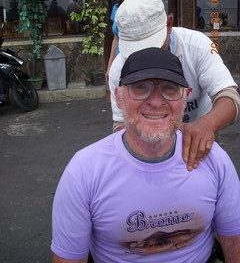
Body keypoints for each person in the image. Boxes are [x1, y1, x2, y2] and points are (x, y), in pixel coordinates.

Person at [51, 48, 240, 263]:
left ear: (185, 98)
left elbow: (234, 241)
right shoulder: (84, 171)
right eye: (141, 88)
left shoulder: (213, 159)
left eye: (170, 88)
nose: (157, 102)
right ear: (119, 98)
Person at [109, 0, 240, 171]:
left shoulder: (198, 45)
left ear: (169, 24)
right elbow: (120, 124)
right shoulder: (120, 67)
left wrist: (207, 124)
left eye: (151, 45)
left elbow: (229, 97)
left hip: (198, 140)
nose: (147, 58)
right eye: (136, 51)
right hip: (147, 145)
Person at [105, 0, 148, 82]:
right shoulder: (116, 8)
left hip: (140, 62)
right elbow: (115, 40)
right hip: (121, 61)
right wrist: (110, 66)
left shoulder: (142, 8)